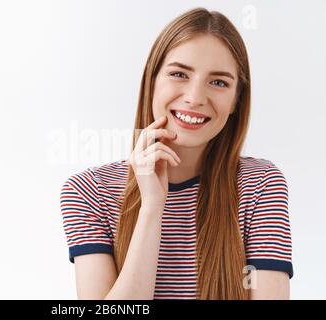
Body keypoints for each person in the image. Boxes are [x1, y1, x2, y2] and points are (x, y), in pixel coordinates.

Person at [60, 7, 293, 300]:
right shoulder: (89, 192)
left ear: (236, 101)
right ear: (152, 81)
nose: (195, 97)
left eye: (219, 82)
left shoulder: (260, 184)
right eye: (179, 74)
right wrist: (152, 208)